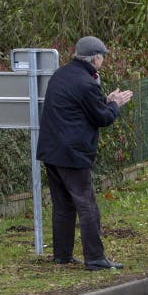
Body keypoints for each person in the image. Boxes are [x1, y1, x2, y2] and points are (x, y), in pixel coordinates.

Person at [37, 36, 133, 271]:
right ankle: (95, 257)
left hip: (51, 151)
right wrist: (114, 104)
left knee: (62, 205)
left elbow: (80, 107)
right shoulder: (87, 83)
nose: (103, 61)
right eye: (102, 57)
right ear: (95, 58)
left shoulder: (61, 74)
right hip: (73, 155)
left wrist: (105, 101)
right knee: (87, 204)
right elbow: (102, 118)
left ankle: (62, 255)